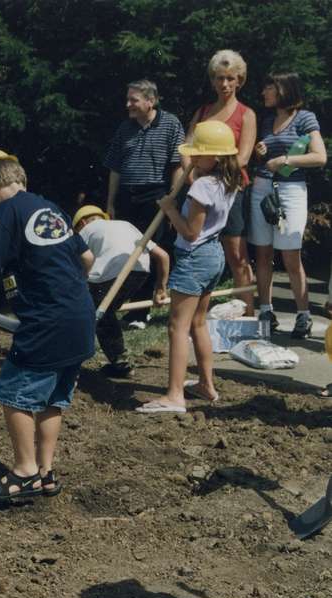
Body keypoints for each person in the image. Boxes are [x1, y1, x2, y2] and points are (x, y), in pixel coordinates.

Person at [0, 149, 95, 501]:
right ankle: (45, 471)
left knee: (12, 391)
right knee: (52, 398)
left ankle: (24, 472)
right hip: (79, 317)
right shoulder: (49, 207)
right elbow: (87, 257)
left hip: (46, 322)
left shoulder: (8, 210)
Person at [137, 121, 239, 413]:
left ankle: (174, 396)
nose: (192, 157)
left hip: (195, 258)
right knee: (198, 323)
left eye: (198, 153)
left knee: (177, 327)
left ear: (216, 157)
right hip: (213, 255)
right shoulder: (226, 182)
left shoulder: (204, 186)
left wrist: (169, 209)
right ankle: (206, 385)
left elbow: (190, 232)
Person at [248, 72, 327, 339]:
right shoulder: (267, 120)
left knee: (290, 255)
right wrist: (260, 153)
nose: (264, 92)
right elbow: (264, 159)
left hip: (291, 191)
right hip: (262, 188)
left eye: (269, 87)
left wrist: (285, 160)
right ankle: (266, 312)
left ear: (284, 89)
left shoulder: (305, 118)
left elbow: (319, 156)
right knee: (262, 253)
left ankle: (303, 315)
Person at [103, 80, 185, 327]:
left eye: (134, 100)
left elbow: (177, 166)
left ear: (151, 101)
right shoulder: (124, 128)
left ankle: (141, 310)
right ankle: (124, 305)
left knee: (151, 251)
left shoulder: (171, 124)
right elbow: (115, 169)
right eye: (128, 99)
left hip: (155, 196)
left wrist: (172, 201)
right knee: (128, 250)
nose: (128, 105)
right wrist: (111, 203)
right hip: (127, 196)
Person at [183, 50, 257, 315]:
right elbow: (188, 147)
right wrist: (192, 179)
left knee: (236, 255)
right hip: (200, 191)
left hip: (230, 190)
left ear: (239, 80)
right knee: (198, 250)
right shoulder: (202, 112)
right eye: (218, 78)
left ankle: (248, 315)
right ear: (212, 80)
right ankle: (197, 312)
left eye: (230, 78)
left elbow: (244, 156)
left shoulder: (246, 114)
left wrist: (216, 181)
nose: (224, 84)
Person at [73, 205, 170, 377]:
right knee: (105, 313)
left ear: (81, 222)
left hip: (109, 275)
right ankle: (120, 362)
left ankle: (119, 363)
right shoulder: (126, 225)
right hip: (139, 272)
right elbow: (163, 256)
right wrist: (161, 289)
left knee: (96, 315)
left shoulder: (84, 231)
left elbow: (78, 263)